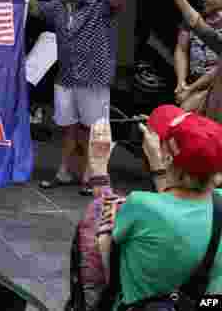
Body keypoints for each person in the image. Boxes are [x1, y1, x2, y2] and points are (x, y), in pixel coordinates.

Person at [85, 105, 222, 309]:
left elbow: (103, 230)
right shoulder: (218, 202)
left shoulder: (141, 205)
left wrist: (97, 166)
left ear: (168, 157)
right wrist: (161, 165)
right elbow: (177, 208)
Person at [27, 0, 128, 195]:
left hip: (93, 78)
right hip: (67, 77)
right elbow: (34, 10)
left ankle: (91, 176)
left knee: (95, 129)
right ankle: (64, 171)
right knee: (69, 127)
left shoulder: (100, 4)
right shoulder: (60, 7)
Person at [172, 0, 222, 121]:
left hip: (215, 87)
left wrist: (190, 90)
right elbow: (181, 48)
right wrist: (181, 83)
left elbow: (218, 69)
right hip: (193, 83)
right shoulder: (196, 20)